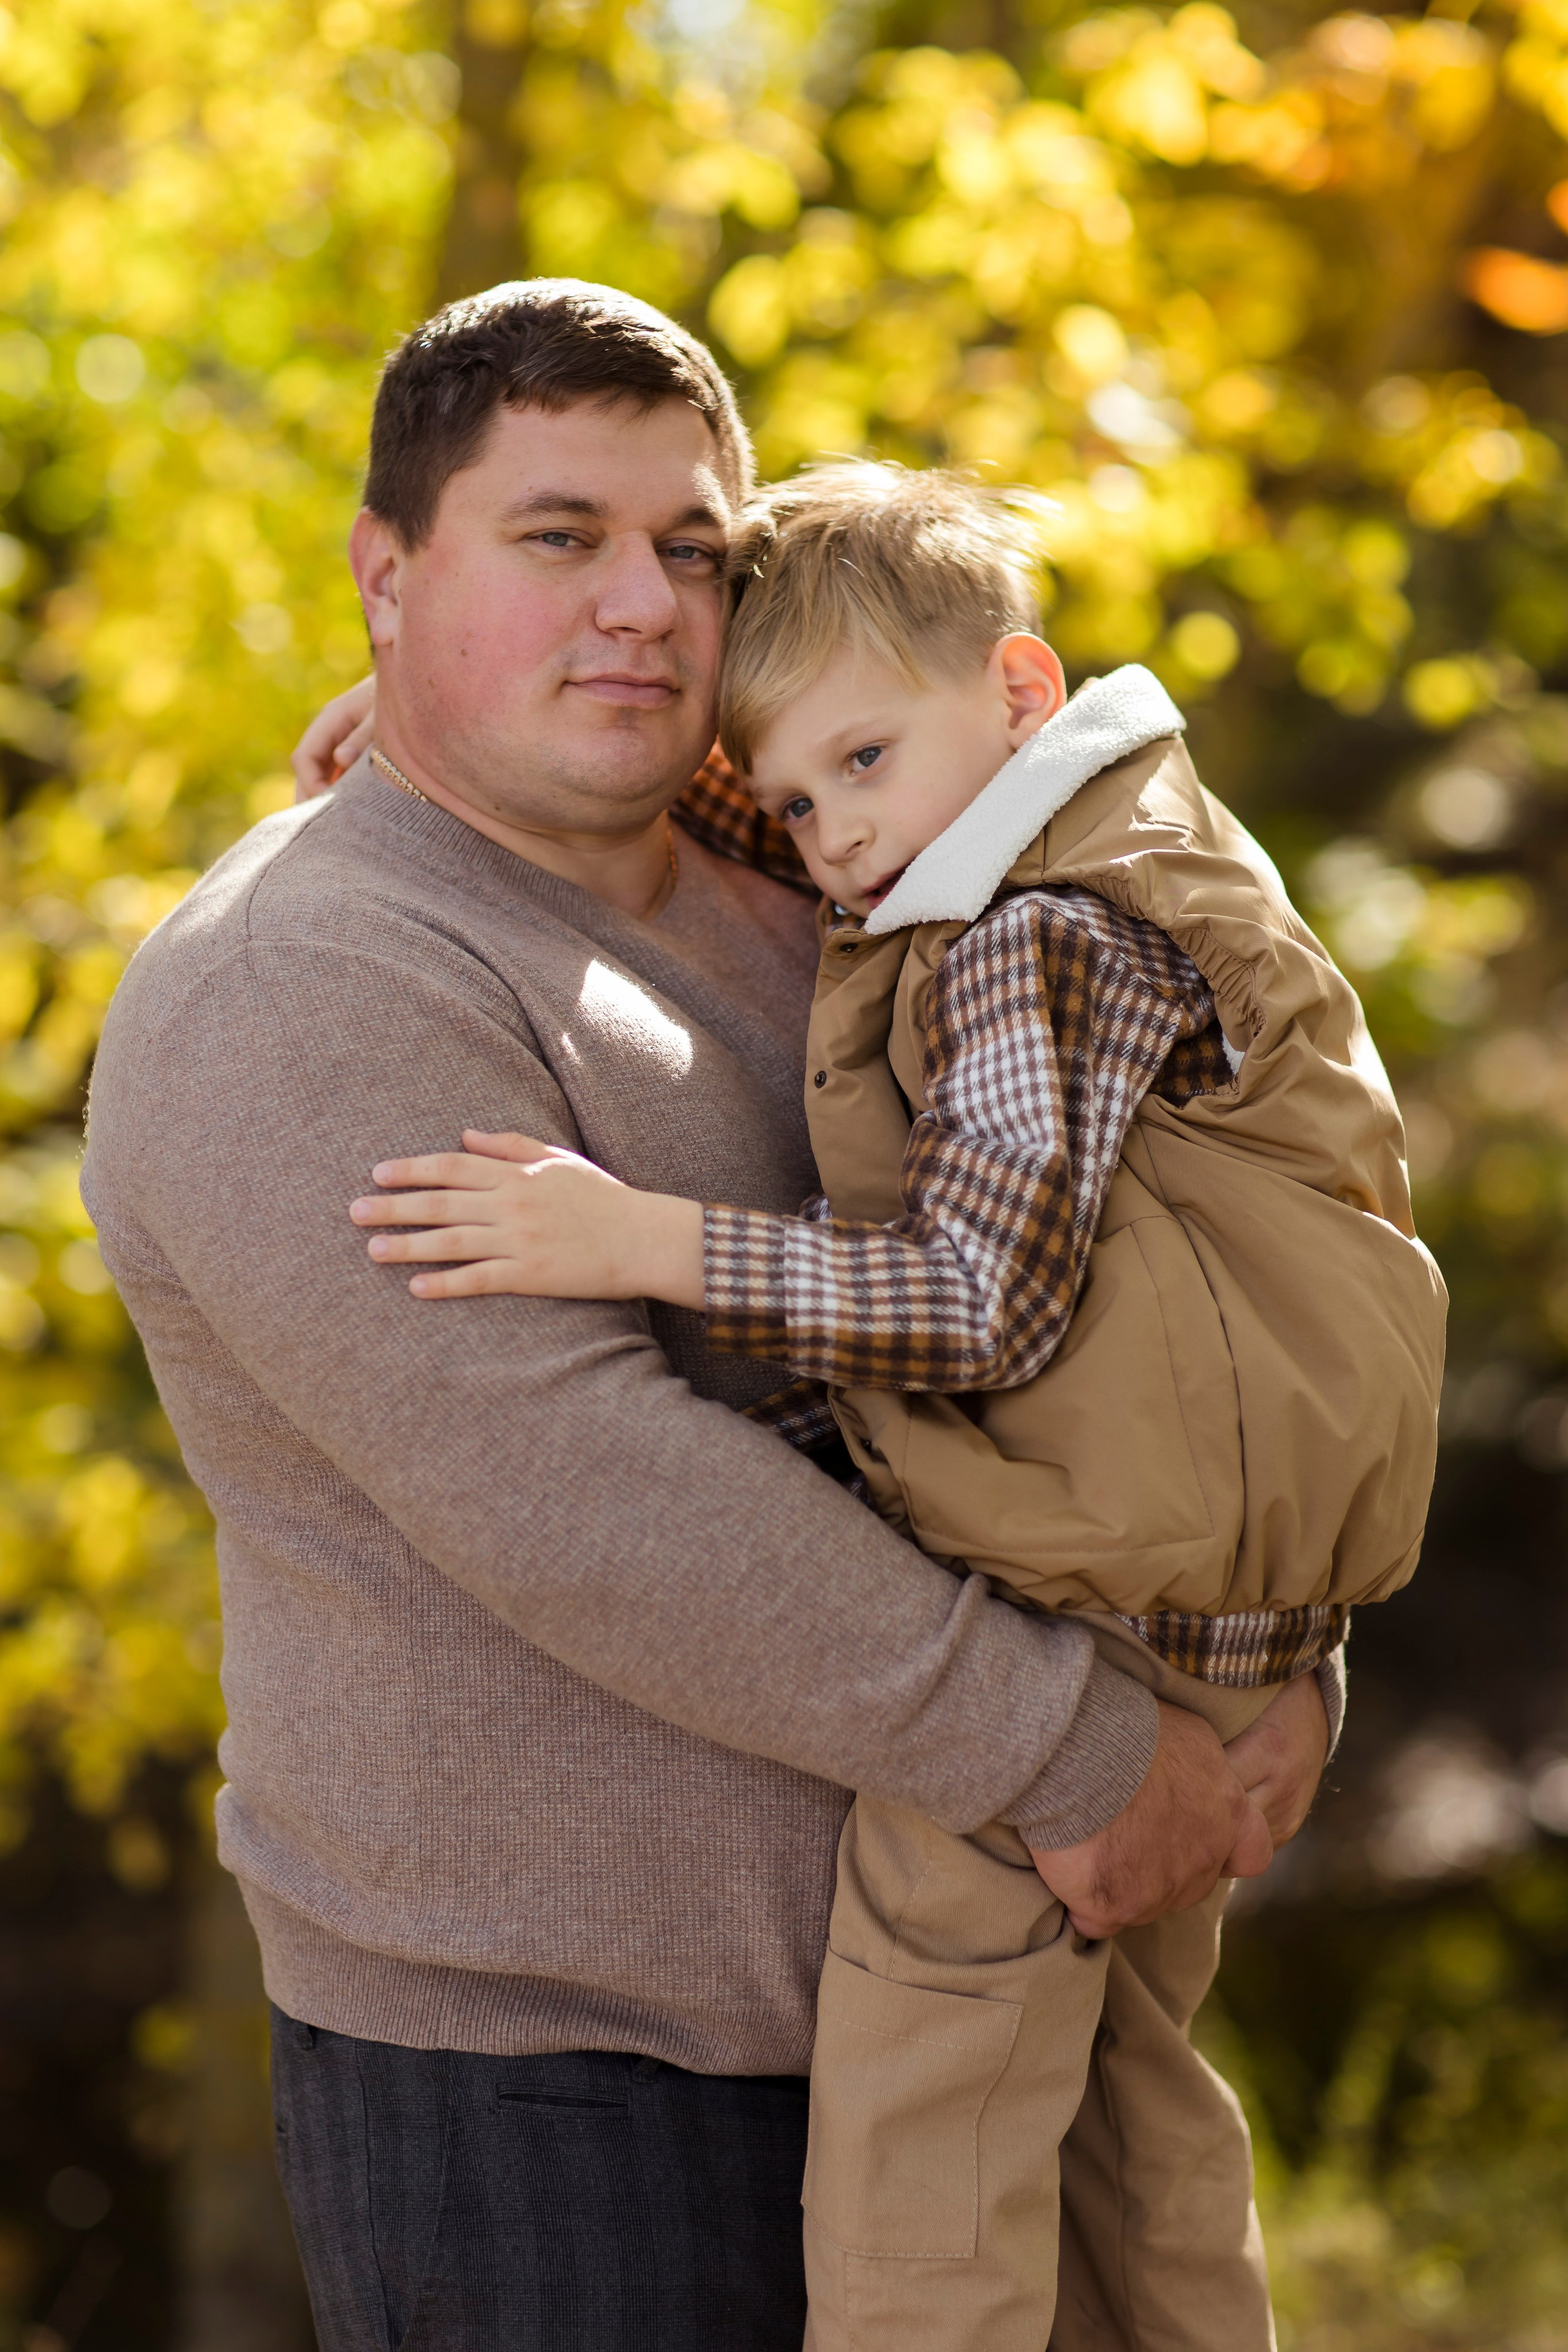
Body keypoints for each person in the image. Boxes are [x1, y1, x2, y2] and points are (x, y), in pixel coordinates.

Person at [85, 281, 1333, 2352]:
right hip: (572, 2099)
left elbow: (1186, 1267)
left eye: (694, 551)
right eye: (557, 538)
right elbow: (602, 1506)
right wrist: (1093, 1757)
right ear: (386, 579)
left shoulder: (846, 888)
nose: (646, 608)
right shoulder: (305, 985)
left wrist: (1268, 1653)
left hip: (964, 2014)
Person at [349, 461, 1446, 2349]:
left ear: (1020, 696)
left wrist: (639, 1241)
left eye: (860, 769)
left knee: (917, 2180)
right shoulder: (1140, 847)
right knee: (1128, 2135)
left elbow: (979, 1301)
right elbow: (842, 752)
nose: (825, 838)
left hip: (1080, 1642)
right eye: (787, 800)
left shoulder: (1026, 946)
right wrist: (440, 722)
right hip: (1227, 1621)